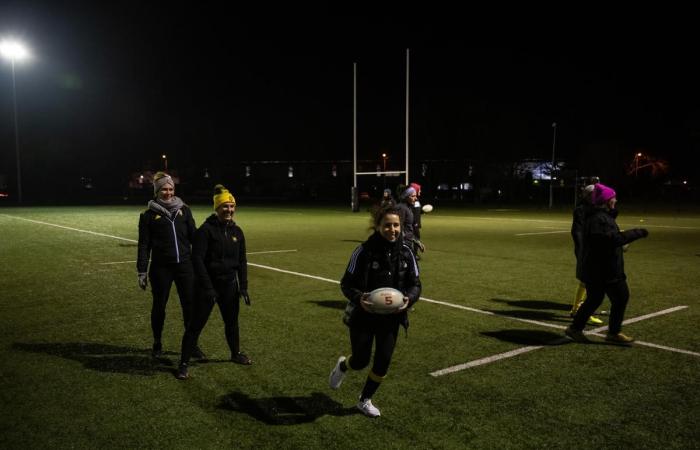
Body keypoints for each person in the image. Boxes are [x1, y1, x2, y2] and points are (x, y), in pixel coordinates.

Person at [328, 204, 421, 417]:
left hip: (391, 318)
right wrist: (359, 298)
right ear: (378, 226)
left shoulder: (406, 252)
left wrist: (410, 298)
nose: (393, 230)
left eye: (396, 225)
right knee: (361, 361)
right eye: (387, 225)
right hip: (364, 316)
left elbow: (416, 284)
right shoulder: (363, 252)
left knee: (383, 361)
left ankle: (365, 400)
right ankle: (344, 365)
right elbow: (346, 283)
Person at [177, 184, 252, 380]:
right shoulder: (205, 231)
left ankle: (235, 354)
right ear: (217, 208)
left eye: (231, 206)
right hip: (206, 287)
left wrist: (242, 286)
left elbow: (242, 261)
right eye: (225, 206)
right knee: (195, 326)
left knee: (232, 323)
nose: (229, 210)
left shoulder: (238, 232)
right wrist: (208, 288)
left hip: (229, 286)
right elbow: (197, 261)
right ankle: (183, 363)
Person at [565, 183, 649, 344]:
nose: (616, 200)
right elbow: (608, 240)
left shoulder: (602, 216)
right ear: (606, 200)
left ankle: (575, 329)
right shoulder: (598, 218)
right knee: (621, 297)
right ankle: (613, 332)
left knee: (594, 299)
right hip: (604, 269)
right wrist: (636, 233)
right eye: (613, 197)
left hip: (599, 267)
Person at [137, 172, 204, 359]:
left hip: (185, 266)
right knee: (159, 306)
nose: (168, 192)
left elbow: (195, 238)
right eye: (164, 189)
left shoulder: (184, 210)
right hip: (161, 269)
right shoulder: (148, 216)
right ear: (157, 191)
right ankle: (157, 343)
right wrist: (141, 271)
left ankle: (192, 344)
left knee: (190, 307)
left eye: (171, 188)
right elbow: (144, 245)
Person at [570, 184, 603, 325]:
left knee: (588, 280)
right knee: (589, 280)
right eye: (594, 195)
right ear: (588, 195)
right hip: (586, 249)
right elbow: (576, 231)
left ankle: (578, 308)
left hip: (591, 248)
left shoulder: (593, 209)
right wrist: (582, 250)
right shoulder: (581, 210)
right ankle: (581, 310)